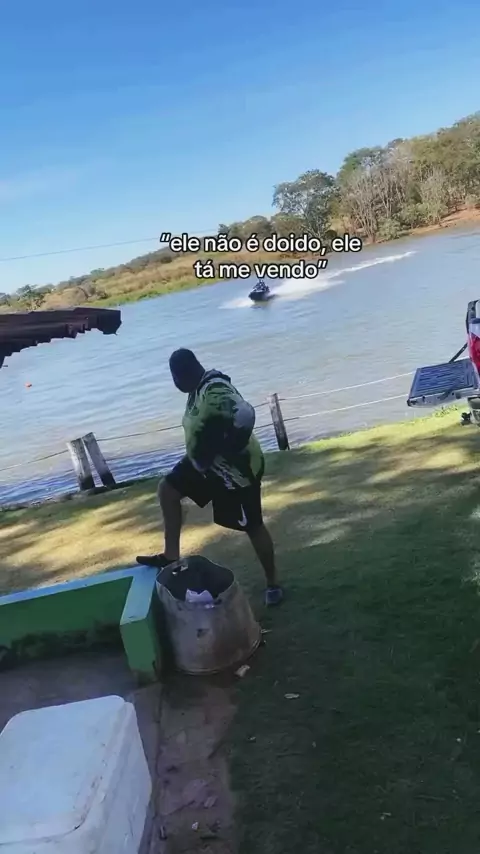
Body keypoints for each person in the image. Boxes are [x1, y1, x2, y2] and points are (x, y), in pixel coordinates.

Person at [136, 348, 284, 606]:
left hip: (237, 471)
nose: (175, 384)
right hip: (204, 465)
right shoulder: (197, 389)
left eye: (175, 378)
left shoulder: (215, 390)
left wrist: (228, 446)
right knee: (168, 490)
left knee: (252, 525)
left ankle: (273, 583)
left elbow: (245, 414)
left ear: (183, 375)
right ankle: (171, 556)